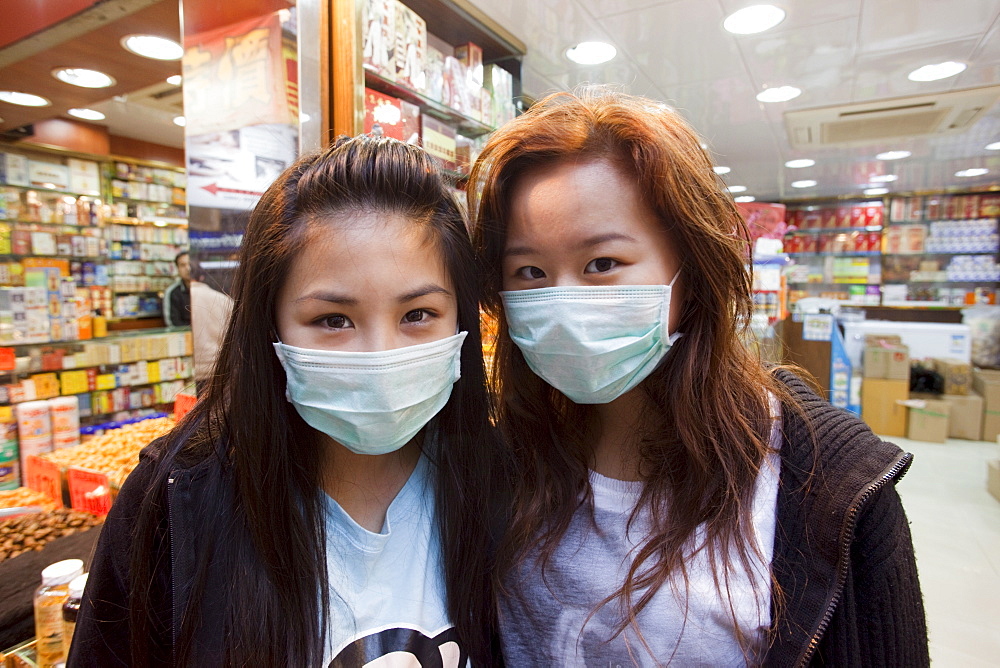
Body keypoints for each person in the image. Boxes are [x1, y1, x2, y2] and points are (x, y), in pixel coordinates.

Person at [469, 89, 928, 667]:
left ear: (690, 269)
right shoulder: (502, 459)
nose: (563, 302)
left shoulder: (830, 486)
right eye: (530, 272)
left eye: (602, 263)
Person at [69, 136, 503, 666]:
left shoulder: (502, 483)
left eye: (417, 315)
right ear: (269, 326)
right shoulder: (177, 502)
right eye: (332, 320)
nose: (380, 356)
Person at [163, 250, 192, 327]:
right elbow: (173, 323)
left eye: (190, 264)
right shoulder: (172, 292)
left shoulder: (207, 288)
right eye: (183, 265)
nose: (188, 268)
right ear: (178, 269)